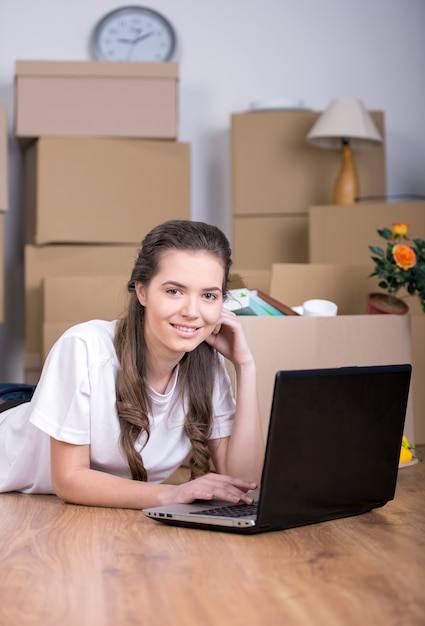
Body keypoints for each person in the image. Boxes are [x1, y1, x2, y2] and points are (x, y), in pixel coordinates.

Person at [0, 220, 264, 509]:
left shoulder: (206, 365)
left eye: (209, 296)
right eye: (174, 291)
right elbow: (69, 479)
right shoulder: (84, 347)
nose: (192, 311)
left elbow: (243, 481)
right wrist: (172, 495)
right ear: (142, 292)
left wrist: (245, 366)